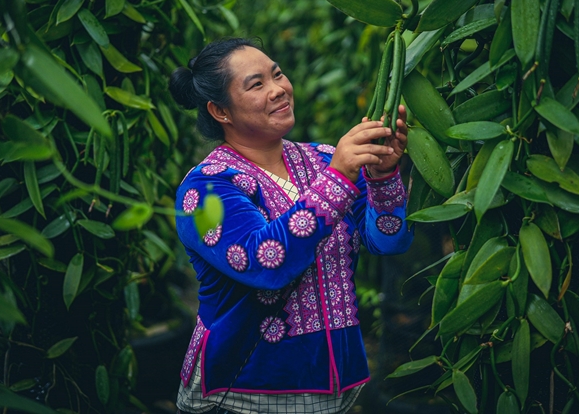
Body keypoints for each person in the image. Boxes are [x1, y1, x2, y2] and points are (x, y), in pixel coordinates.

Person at [170, 38, 414, 414]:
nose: (279, 90)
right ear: (220, 110)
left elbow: (390, 240)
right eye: (257, 84)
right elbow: (265, 263)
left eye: (278, 74)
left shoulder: (324, 159)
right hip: (243, 392)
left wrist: (382, 175)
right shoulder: (203, 191)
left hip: (334, 383)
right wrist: (339, 178)